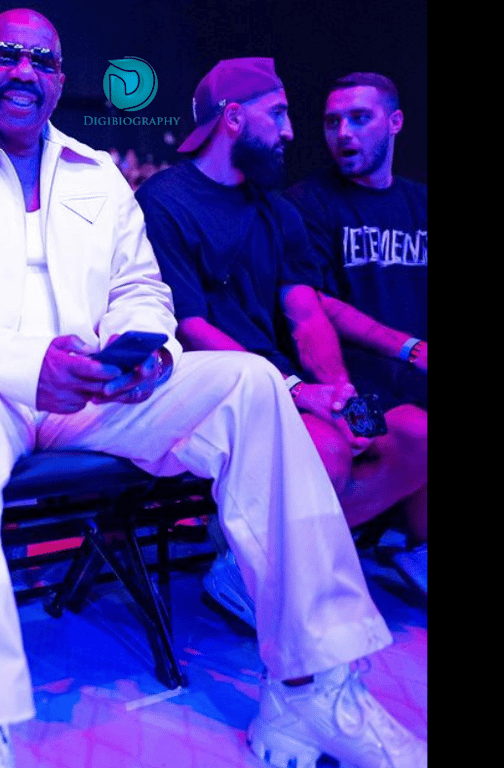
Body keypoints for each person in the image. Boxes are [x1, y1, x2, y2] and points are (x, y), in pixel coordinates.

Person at [0, 13, 426, 768]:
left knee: (250, 383)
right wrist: (30, 364)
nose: (24, 71)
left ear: (61, 78)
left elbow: (141, 289)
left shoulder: (95, 171)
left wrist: (148, 353)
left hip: (98, 391)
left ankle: (311, 688)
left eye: (42, 60)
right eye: (7, 55)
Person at [134, 59, 427, 604]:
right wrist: (296, 391)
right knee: (326, 451)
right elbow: (190, 326)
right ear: (235, 119)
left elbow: (306, 314)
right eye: (280, 114)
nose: (292, 131)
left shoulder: (275, 210)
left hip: (279, 383)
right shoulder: (164, 201)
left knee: (416, 433)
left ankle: (250, 553)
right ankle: (250, 565)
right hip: (210, 387)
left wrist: (338, 393)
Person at [283, 73, 427, 591]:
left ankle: (413, 551)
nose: (343, 132)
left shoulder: (419, 202)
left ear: (394, 122)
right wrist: (408, 348)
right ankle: (273, 555)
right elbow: (308, 302)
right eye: (332, 121)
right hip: (351, 391)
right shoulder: (306, 203)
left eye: (359, 118)